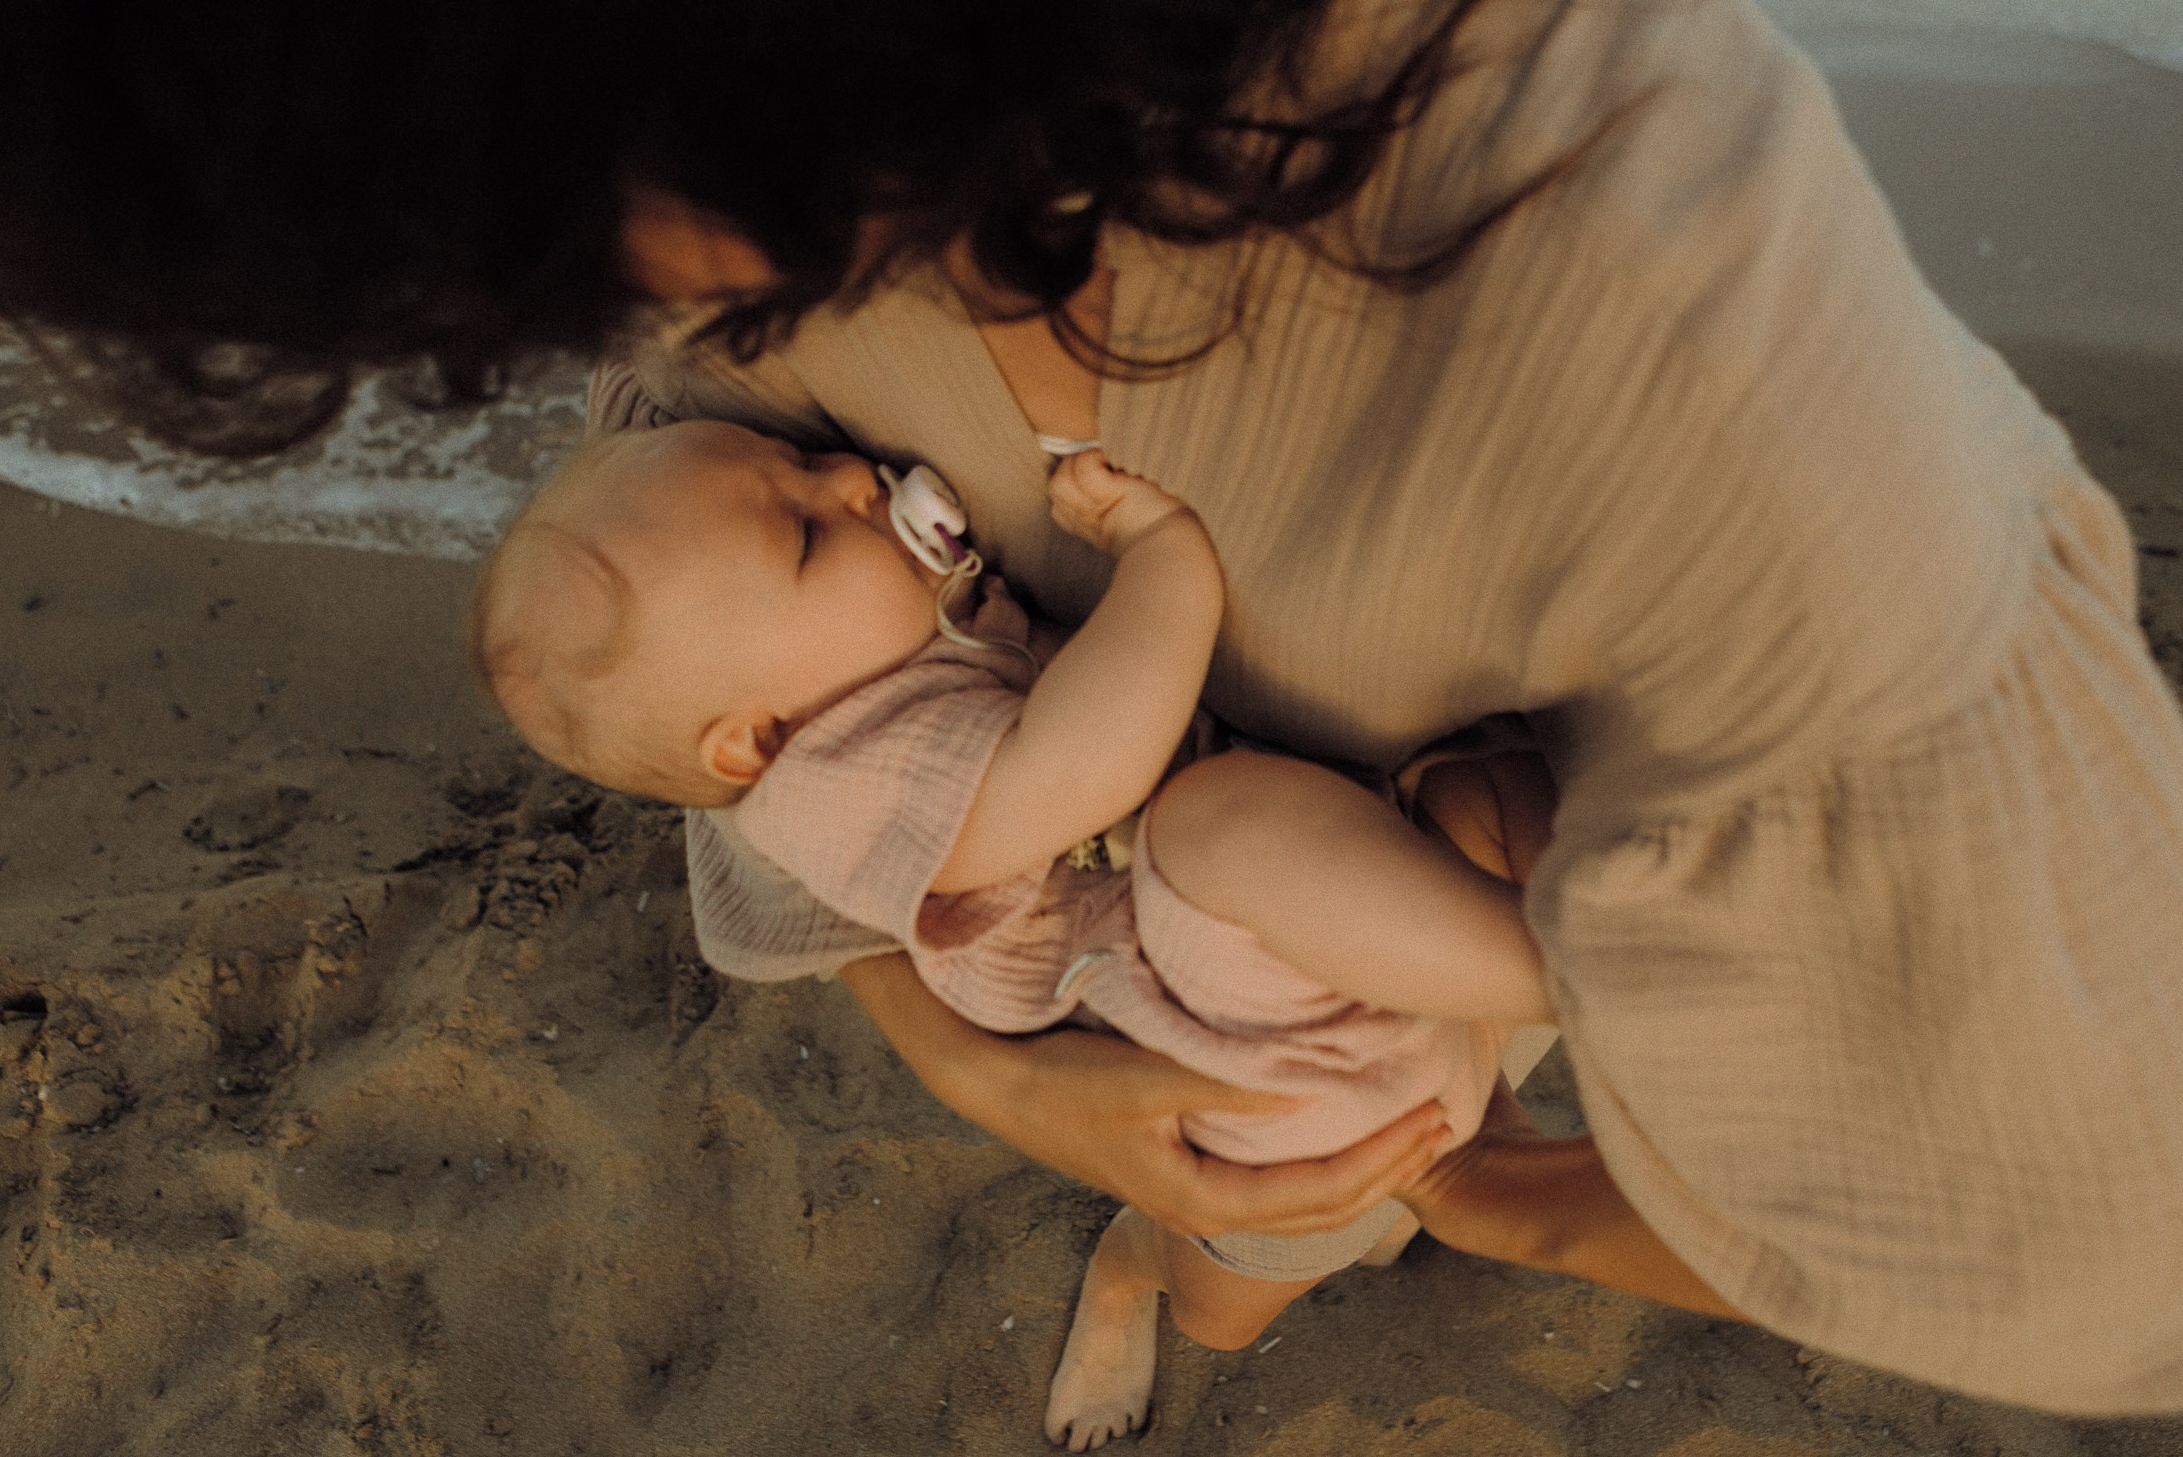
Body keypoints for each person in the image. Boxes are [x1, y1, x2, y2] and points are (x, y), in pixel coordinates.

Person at [0, 0, 2183, 1415]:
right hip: (1203, 1029)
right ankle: (1167, 1281)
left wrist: (1500, 1187)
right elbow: (740, 591)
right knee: (1227, 1228)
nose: (620, 321)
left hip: (1340, 996)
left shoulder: (1659, 336)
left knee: (1302, 1164)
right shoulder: (723, 178)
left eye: (517, 222)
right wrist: (990, 1074)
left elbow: (2084, 1247)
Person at [471, 417, 1577, 1447]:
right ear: (753, 736)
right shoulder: (834, 784)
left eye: (797, 457)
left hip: (1372, 919)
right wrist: (1162, 556)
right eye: (807, 530)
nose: (849, 475)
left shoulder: (855, 664)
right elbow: (1089, 763)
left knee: (1463, 962)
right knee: (1225, 1309)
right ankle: (1130, 1265)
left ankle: (1571, 979)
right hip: (1261, 1062)